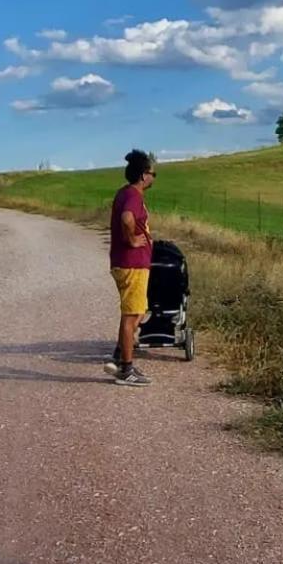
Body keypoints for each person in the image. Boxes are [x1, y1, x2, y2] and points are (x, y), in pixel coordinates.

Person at [103, 149, 156, 386]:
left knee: (137, 311)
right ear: (144, 175)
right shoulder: (134, 196)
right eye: (153, 174)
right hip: (132, 263)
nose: (154, 178)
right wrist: (133, 240)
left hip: (128, 263)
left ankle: (120, 354)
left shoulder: (124, 192)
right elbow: (127, 218)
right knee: (131, 314)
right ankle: (126, 370)